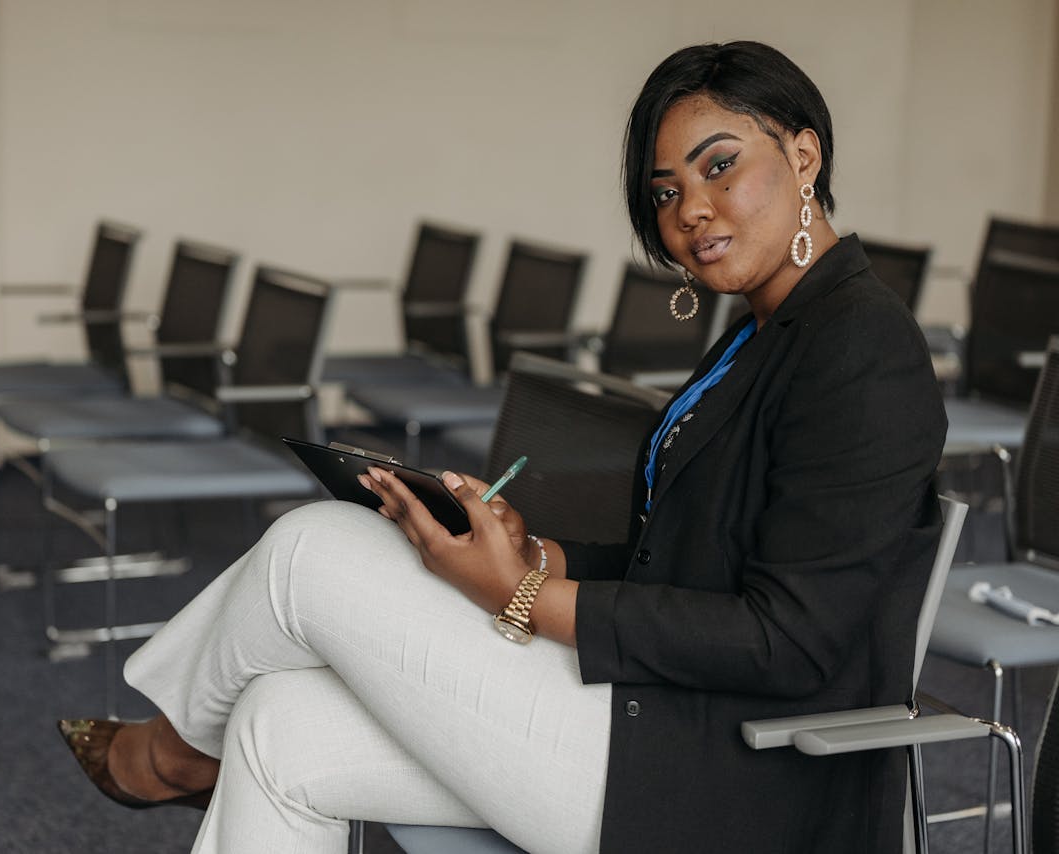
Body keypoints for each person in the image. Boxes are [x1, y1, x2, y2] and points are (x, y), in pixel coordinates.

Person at [58, 40, 947, 853]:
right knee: (278, 720)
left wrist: (524, 596)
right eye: (667, 191)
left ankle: (168, 757)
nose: (692, 212)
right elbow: (680, 562)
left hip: (733, 778)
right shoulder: (767, 332)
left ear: (803, 155)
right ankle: (190, 749)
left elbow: (788, 642)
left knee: (309, 551)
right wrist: (536, 551)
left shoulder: (862, 347)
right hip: (659, 718)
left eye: (721, 167)